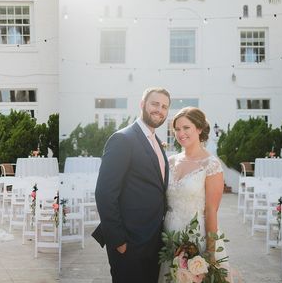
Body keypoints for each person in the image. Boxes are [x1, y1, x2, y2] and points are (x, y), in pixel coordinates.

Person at [92, 87, 170, 283]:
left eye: (164, 106)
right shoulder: (123, 139)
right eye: (154, 104)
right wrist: (118, 241)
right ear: (142, 105)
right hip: (129, 242)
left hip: (154, 240)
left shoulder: (158, 143)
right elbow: (104, 193)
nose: (159, 110)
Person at [158, 107, 231, 282]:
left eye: (186, 128)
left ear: (199, 129)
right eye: (176, 129)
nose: (180, 133)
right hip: (169, 237)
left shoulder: (211, 165)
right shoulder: (170, 161)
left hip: (196, 238)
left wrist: (211, 252)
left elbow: (212, 210)